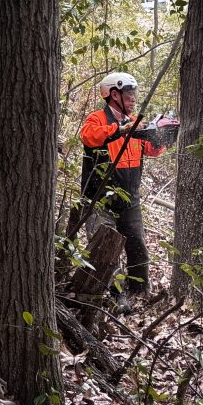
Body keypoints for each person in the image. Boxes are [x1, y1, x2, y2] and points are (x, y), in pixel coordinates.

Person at [79, 71, 168, 303]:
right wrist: (119, 130)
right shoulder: (97, 119)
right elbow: (88, 137)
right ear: (113, 94)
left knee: (137, 246)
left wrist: (162, 137)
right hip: (99, 199)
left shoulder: (136, 122)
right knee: (105, 248)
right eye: (128, 94)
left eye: (133, 93)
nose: (133, 98)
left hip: (129, 198)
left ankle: (140, 292)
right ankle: (114, 297)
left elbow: (152, 150)